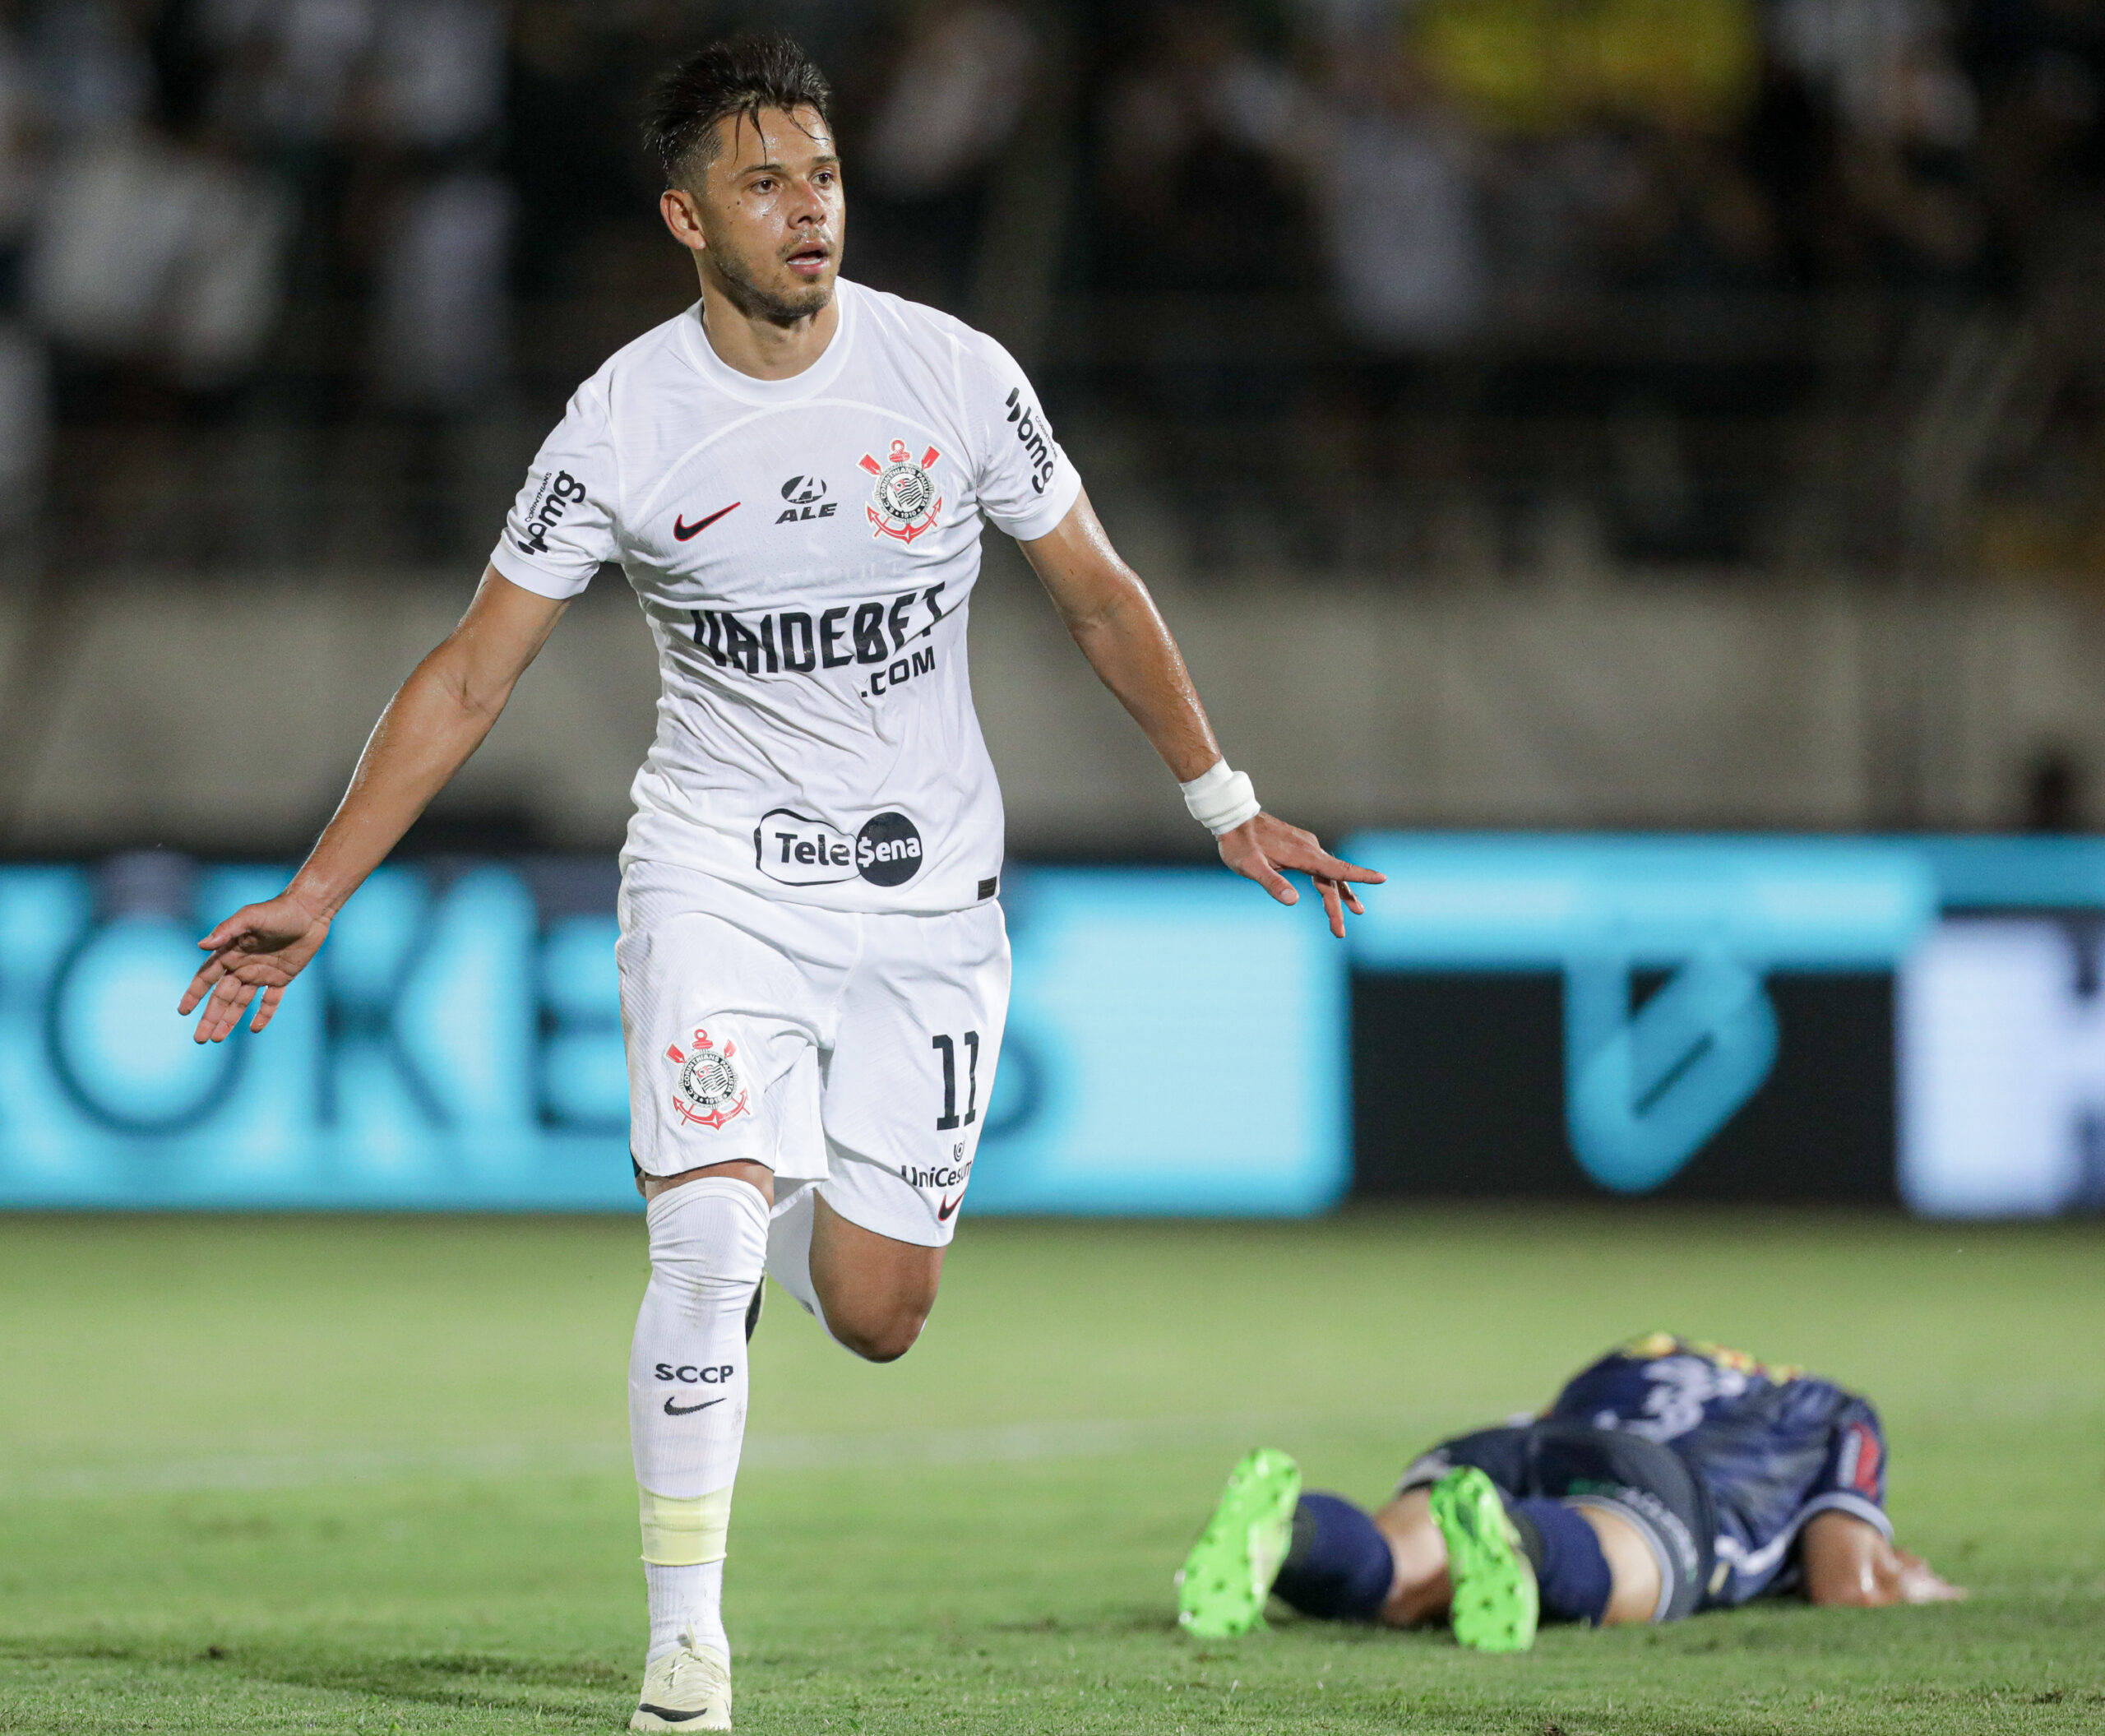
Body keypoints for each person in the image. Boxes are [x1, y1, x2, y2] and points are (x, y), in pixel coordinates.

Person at [175, 31, 1381, 1734]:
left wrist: (1225, 799)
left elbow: (1098, 594)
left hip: (925, 898)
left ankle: (776, 1174)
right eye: (764, 183)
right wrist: (321, 885)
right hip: (716, 876)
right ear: (686, 217)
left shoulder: (951, 376)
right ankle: (686, 1644)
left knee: (876, 1312)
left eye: (819, 175)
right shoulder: (622, 421)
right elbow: (467, 671)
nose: (807, 211)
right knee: (707, 1230)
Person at [1177, 1333, 1964, 1649]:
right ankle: (1519, 1542)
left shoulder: (1638, 1353)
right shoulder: (1832, 1408)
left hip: (1520, 1437)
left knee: (1398, 1575)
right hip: (1661, 1479)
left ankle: (1288, 1534)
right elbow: (1844, 1579)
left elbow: (1562, 1414)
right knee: (1613, 1550)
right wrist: (1915, 1585)